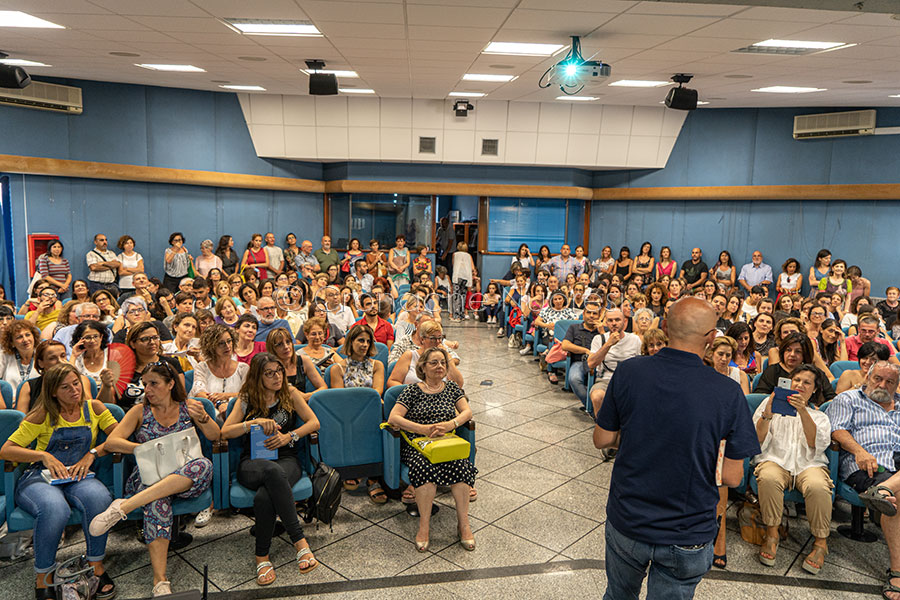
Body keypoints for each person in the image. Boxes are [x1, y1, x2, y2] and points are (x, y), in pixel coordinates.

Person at [593, 297, 760, 600]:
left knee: (618, 595)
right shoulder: (728, 392)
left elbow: (602, 439)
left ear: (666, 327)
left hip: (629, 518)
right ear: (711, 339)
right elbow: (733, 477)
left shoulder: (629, 372)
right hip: (688, 529)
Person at [91, 361, 217, 597]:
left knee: (203, 465)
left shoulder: (188, 407)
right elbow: (112, 442)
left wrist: (205, 418)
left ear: (170, 384)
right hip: (150, 475)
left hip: (186, 477)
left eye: (154, 384)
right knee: (157, 501)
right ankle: (160, 581)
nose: (147, 389)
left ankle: (125, 506)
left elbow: (215, 436)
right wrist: (143, 447)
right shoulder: (139, 411)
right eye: (145, 384)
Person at [0, 363, 118, 600]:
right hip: (40, 477)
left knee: (99, 498)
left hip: (77, 474)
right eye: (65, 387)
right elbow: (6, 450)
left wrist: (92, 453)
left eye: (76, 383)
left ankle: (95, 564)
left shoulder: (93, 408)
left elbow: (118, 436)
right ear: (53, 391)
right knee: (55, 509)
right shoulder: (42, 414)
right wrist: (42, 455)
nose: (74, 390)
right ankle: (43, 575)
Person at [218, 352, 324, 585]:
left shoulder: (289, 392)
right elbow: (225, 432)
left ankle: (262, 557)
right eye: (269, 373)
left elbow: (314, 422)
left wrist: (289, 436)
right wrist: (252, 423)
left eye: (279, 371)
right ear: (258, 376)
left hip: (286, 456)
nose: (277, 377)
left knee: (266, 494)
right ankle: (300, 542)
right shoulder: (247, 397)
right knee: (272, 474)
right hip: (253, 461)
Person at [387, 346, 476, 551]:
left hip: (446, 443)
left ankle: (463, 525)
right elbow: (394, 417)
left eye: (443, 362)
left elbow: (467, 412)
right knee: (424, 470)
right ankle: (424, 526)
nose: (440, 366)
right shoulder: (412, 390)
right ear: (423, 368)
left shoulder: (452, 389)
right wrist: (423, 429)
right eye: (434, 363)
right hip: (419, 444)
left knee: (462, 468)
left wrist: (451, 424)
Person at [824, 361, 900, 599]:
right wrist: (858, 451)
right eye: (878, 378)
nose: (882, 385)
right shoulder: (849, 399)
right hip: (868, 464)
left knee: (893, 492)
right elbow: (837, 430)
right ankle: (897, 572)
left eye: (890, 381)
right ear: (867, 376)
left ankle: (884, 490)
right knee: (898, 499)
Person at [752, 364, 832, 573]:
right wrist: (767, 414)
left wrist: (803, 411)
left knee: (818, 486)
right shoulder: (768, 403)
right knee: (768, 477)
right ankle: (772, 533)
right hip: (775, 460)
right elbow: (756, 441)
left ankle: (821, 543)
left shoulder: (819, 416)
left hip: (809, 464)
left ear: (814, 389)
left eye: (807, 383)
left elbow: (815, 443)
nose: (800, 385)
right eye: (796, 380)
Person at [703, 335, 749, 569]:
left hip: (726, 435)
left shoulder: (737, 376)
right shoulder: (701, 375)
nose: (723, 358)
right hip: (705, 435)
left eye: (728, 355)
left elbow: (741, 409)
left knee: (722, 482)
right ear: (710, 355)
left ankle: (720, 539)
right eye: (719, 354)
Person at [587, 307, 641, 427]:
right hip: (605, 379)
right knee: (597, 396)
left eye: (617, 320)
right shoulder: (599, 339)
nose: (614, 323)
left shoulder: (634, 339)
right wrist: (608, 344)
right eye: (610, 321)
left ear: (624, 322)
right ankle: (603, 428)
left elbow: (640, 364)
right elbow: (591, 363)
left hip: (628, 381)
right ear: (606, 323)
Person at [754, 333, 836, 402]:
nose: (792, 354)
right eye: (788, 350)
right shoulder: (772, 371)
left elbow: (831, 398)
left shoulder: (815, 373)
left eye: (798, 351)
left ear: (805, 354)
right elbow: (760, 397)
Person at [123, 321, 186, 410]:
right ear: (133, 344)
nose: (152, 342)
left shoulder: (171, 364)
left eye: (155, 338)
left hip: (163, 414)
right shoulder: (122, 369)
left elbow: (180, 397)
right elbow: (109, 405)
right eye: (145, 339)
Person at [18, 340, 93, 413]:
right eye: (52, 358)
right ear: (41, 363)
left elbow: (89, 408)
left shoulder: (81, 380)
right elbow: (21, 419)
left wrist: (71, 372)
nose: (60, 361)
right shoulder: (28, 386)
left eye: (63, 356)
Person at [190, 324, 249, 418]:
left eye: (229, 341)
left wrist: (225, 396)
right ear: (211, 346)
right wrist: (219, 404)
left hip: (238, 414)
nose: (227, 346)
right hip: (210, 415)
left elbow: (248, 394)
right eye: (221, 343)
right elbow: (199, 392)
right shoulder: (202, 367)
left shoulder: (243, 368)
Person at [562, 301, 602, 406]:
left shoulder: (604, 329)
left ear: (599, 315)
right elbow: (565, 345)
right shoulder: (574, 327)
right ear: (583, 314)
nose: (591, 316)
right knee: (574, 379)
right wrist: (585, 350)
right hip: (580, 361)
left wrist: (602, 332)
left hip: (601, 363)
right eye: (589, 313)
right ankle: (592, 405)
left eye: (595, 313)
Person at [265, 327, 326, 396]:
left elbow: (323, 387)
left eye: (288, 342)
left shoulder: (304, 361)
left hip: (304, 402)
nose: (286, 347)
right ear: (272, 348)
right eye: (280, 344)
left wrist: (307, 396)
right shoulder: (270, 368)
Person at [330, 324, 385, 394]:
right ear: (351, 342)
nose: (365, 345)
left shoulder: (377, 365)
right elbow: (340, 397)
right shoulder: (337, 369)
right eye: (361, 340)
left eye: (368, 341)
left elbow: (377, 393)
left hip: (371, 403)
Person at [0, 320, 40, 389]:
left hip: (36, 399)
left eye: (27, 335)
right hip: (11, 399)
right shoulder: (4, 356)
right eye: (19, 337)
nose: (25, 339)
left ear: (33, 336)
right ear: (12, 343)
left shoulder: (41, 354)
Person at [451, 242, 475, 321]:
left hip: (457, 276)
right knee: (463, 295)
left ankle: (456, 316)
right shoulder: (469, 256)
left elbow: (453, 264)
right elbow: (472, 268)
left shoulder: (455, 254)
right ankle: (462, 315)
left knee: (456, 296)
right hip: (466, 277)